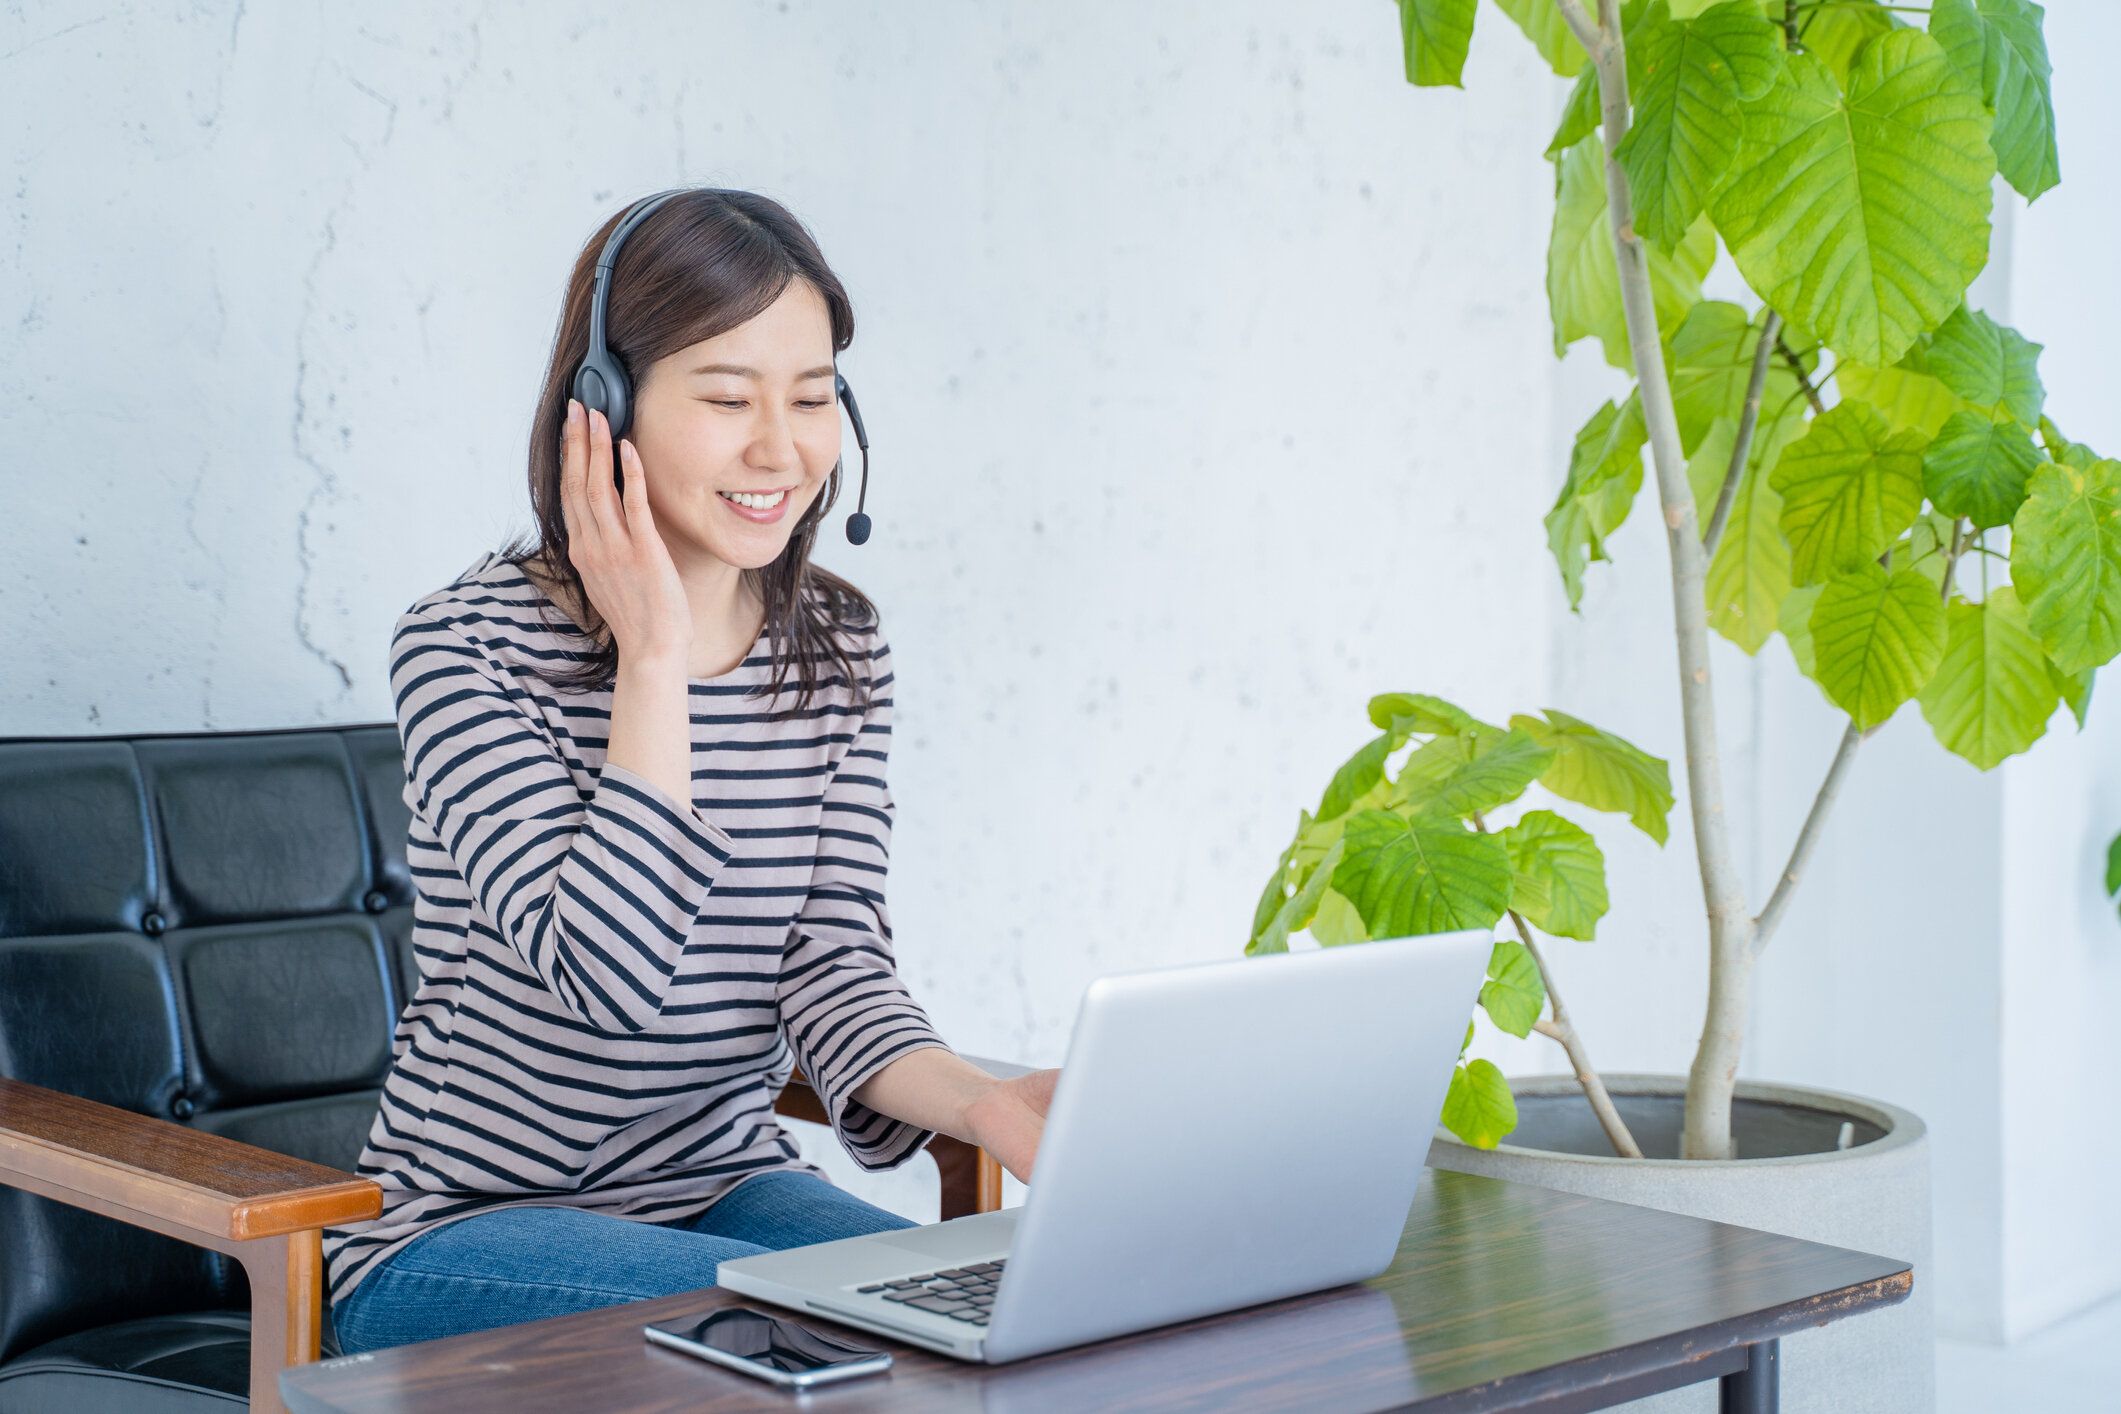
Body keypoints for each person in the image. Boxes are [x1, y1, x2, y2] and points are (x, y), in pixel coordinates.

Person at [323, 188, 1059, 1354]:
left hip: (718, 1184)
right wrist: (655, 660)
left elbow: (832, 958)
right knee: (809, 1328)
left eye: (813, 398)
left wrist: (982, 1102)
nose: (781, 448)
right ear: (602, 409)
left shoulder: (837, 646)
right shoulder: (464, 649)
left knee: (973, 1316)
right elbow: (609, 980)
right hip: (457, 1232)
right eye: (727, 399)